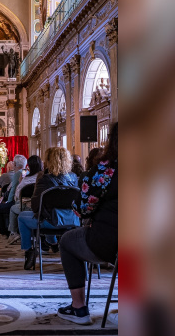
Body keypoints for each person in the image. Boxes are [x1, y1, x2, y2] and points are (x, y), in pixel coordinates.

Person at [57, 123, 118, 325]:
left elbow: (84, 208)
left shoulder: (105, 171)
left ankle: (79, 308)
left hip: (112, 243)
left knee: (67, 241)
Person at [17, 147, 79, 270]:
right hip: (72, 221)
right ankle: (53, 243)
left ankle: (29, 251)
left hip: (51, 221)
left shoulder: (44, 178)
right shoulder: (73, 177)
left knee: (22, 217)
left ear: (49, 161)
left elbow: (36, 206)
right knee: (46, 214)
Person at [7, 155, 44, 244]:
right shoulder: (43, 178)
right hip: (41, 207)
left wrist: (21, 181)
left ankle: (13, 233)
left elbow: (17, 195)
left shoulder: (25, 179)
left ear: (29, 166)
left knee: (12, 209)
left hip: (26, 207)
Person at [0, 154, 27, 238]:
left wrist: (9, 201)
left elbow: (13, 190)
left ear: (15, 164)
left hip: (17, 201)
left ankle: (4, 232)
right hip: (26, 201)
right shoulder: (26, 172)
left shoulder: (17, 174)